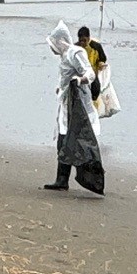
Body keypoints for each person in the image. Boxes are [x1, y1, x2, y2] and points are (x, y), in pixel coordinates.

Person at [45, 23, 104, 194]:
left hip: (78, 105)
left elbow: (90, 73)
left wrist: (80, 80)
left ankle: (89, 178)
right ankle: (61, 180)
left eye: (53, 44)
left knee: (77, 140)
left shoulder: (75, 53)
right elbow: (64, 76)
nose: (52, 48)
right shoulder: (64, 56)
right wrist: (60, 87)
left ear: (60, 42)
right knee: (63, 140)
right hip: (66, 103)